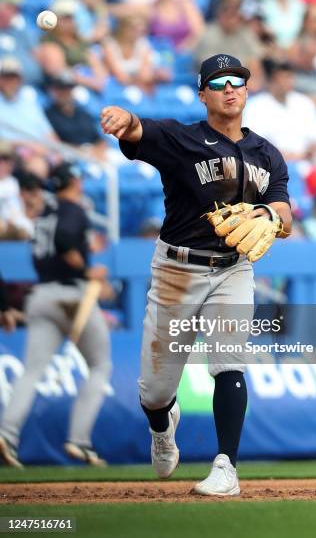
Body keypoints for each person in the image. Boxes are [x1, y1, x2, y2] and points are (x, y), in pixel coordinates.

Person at [100, 54, 292, 496]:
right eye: (219, 81)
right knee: (154, 389)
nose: (230, 88)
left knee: (228, 359)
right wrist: (120, 117)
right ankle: (162, 425)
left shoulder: (266, 153)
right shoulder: (181, 138)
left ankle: (226, 467)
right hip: (176, 270)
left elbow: (285, 214)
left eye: (238, 80)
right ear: (203, 93)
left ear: (247, 89)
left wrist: (267, 213)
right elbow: (136, 128)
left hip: (233, 269)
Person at [0, 163, 112, 468]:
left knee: (31, 371)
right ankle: (79, 441)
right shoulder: (72, 210)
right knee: (100, 365)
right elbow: (64, 240)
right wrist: (87, 270)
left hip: (42, 296)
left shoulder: (43, 215)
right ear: (74, 181)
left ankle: (7, 433)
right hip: (72, 294)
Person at [242, 59, 316, 160]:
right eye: (283, 78)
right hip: (271, 165)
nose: (287, 82)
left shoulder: (304, 102)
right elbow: (252, 144)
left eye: (290, 77)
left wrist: (313, 147)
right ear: (272, 80)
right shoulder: (255, 106)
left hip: (307, 161)